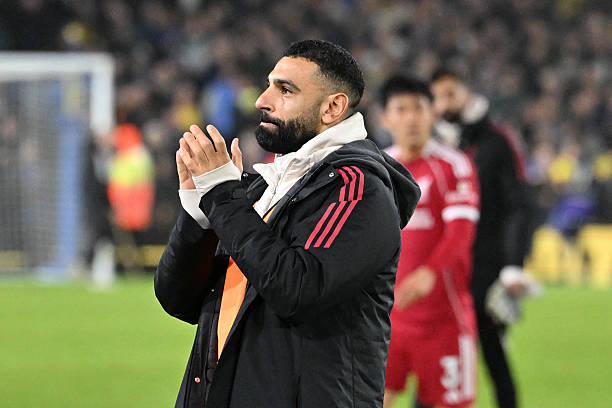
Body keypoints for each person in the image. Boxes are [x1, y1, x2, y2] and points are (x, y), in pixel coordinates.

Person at [154, 40, 420, 408]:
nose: (262, 100)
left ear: (332, 107)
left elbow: (297, 289)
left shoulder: (357, 189)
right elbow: (179, 300)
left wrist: (222, 196)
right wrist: (198, 214)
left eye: (285, 90)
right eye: (268, 85)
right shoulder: (266, 186)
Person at [430, 68, 532, 408]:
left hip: (485, 272)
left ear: (467, 93)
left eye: (450, 94)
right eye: (437, 97)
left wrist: (513, 265)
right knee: (437, 357)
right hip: (443, 271)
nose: (444, 104)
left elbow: (519, 205)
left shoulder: (497, 142)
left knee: (492, 356)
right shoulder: (434, 147)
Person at [379, 76, 480, 408]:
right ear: (386, 118)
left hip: (443, 321)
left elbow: (461, 232)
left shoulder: (453, 165)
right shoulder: (377, 169)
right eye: (401, 109)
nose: (412, 118)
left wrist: (430, 272)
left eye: (419, 108)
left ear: (432, 113)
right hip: (387, 320)